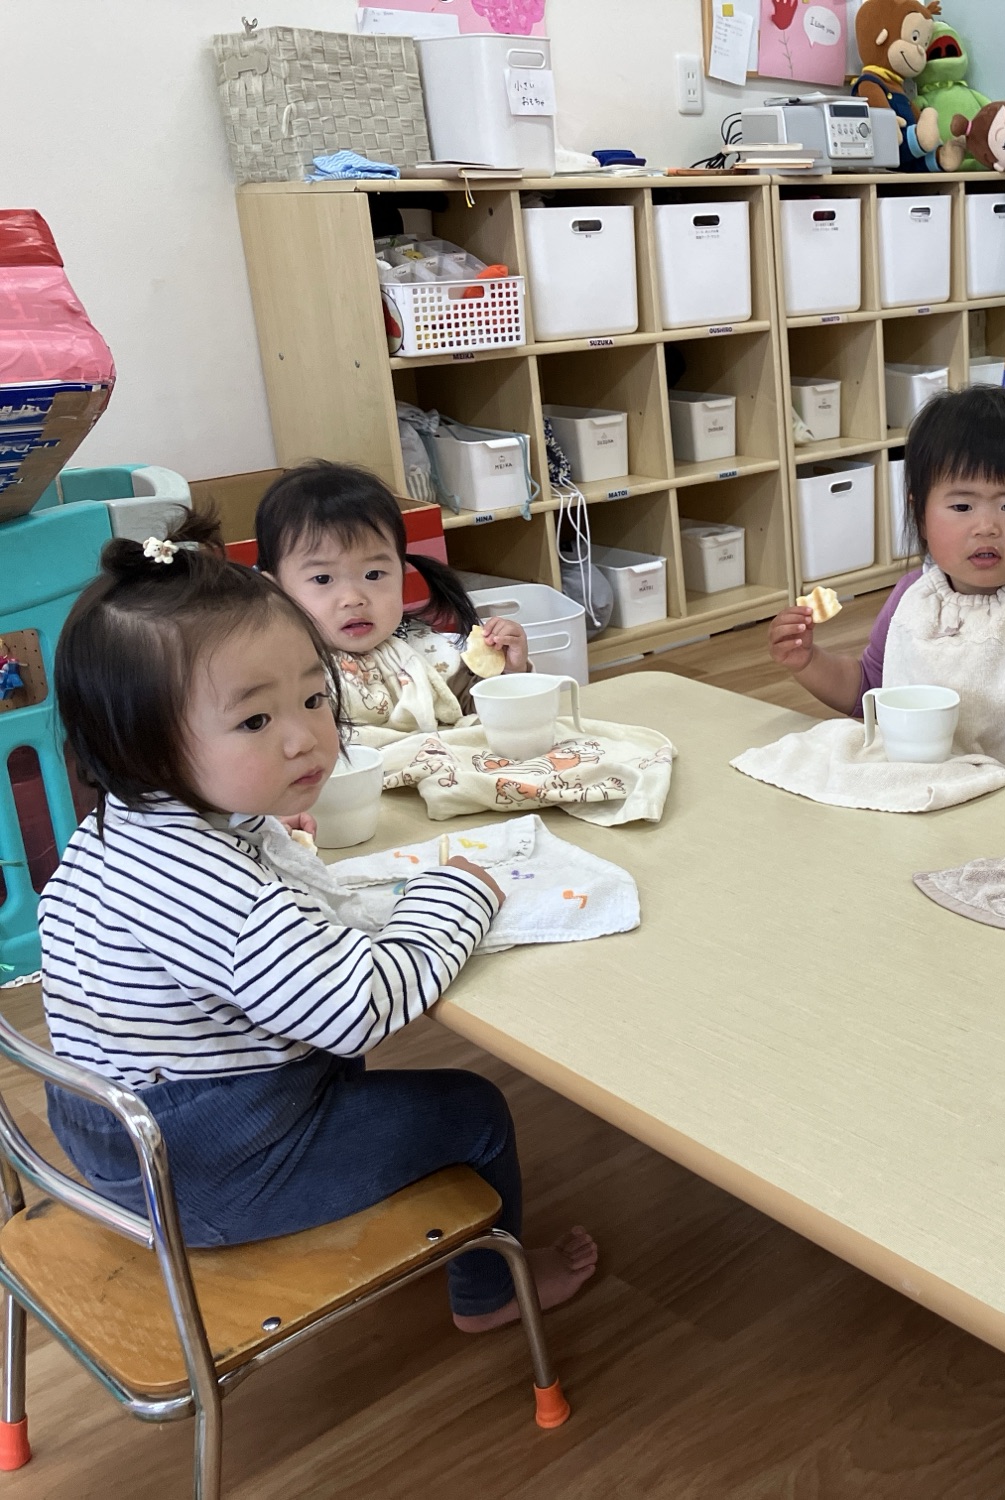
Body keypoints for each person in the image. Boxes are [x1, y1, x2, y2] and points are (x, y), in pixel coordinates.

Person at [37, 516, 596, 1332]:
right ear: (143, 746)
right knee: (474, 1108)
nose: (306, 737)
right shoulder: (218, 894)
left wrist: (268, 835)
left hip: (117, 1124)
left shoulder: (124, 827)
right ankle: (490, 1295)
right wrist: (456, 896)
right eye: (254, 722)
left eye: (312, 697)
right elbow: (356, 1009)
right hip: (200, 1168)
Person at [766, 385, 1005, 797]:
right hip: (928, 791)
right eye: (962, 507)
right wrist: (808, 661)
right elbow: (869, 690)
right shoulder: (912, 602)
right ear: (920, 515)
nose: (986, 527)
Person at [256, 461, 529, 734]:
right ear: (275, 592)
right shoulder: (284, 673)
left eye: (373, 574)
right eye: (322, 579)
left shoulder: (426, 649)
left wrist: (510, 672)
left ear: (401, 573)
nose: (353, 599)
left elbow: (484, 713)